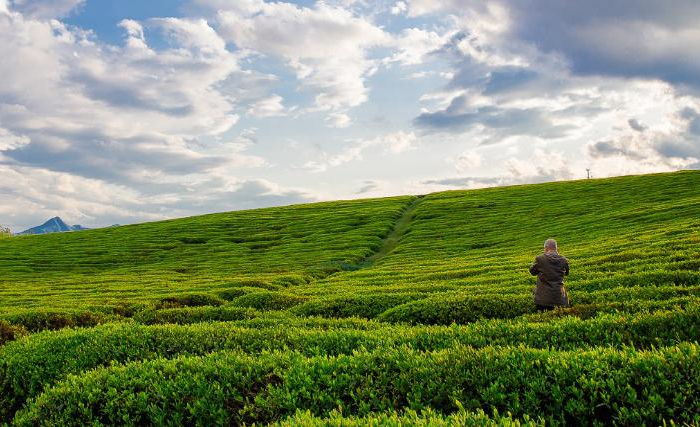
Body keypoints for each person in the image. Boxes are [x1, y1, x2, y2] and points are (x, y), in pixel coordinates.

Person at [529, 239, 569, 310]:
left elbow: (532, 271)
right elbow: (566, 273)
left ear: (546, 248)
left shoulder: (540, 259)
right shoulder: (564, 260)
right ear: (557, 249)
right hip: (560, 299)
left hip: (543, 300)